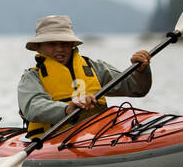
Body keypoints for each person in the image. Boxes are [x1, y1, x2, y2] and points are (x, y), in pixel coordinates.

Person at [18, 14, 152, 138]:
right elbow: (33, 108)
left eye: (64, 43)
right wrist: (67, 109)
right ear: (38, 47)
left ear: (72, 45)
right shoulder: (32, 77)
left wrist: (141, 71)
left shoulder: (94, 68)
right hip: (52, 141)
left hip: (98, 137)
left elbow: (137, 88)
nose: (59, 49)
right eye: (52, 44)